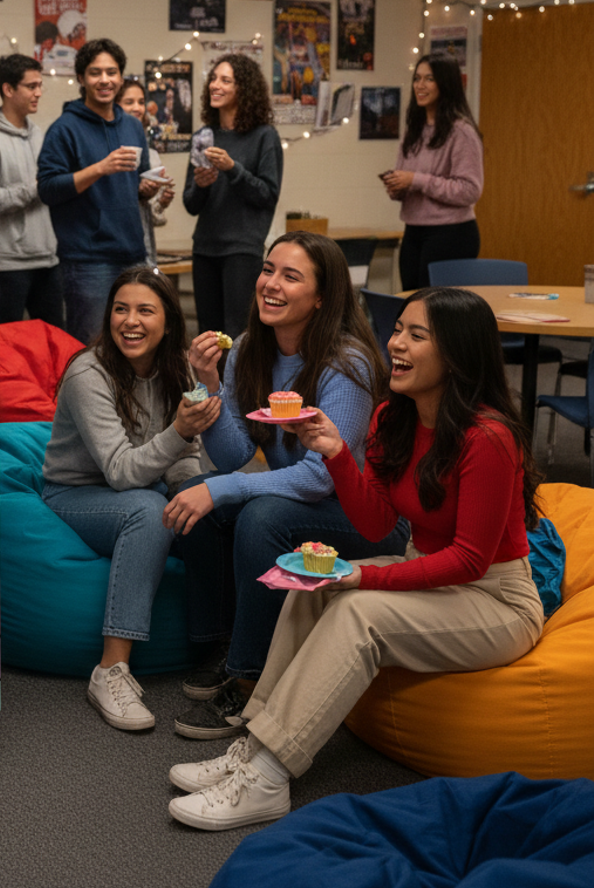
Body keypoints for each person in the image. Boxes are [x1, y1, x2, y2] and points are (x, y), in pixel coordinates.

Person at [167, 287, 545, 830]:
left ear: (457, 354)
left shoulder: (488, 437)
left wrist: (361, 575)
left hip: (497, 599)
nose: (396, 343)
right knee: (311, 580)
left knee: (355, 608)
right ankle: (254, 745)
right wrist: (338, 454)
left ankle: (270, 777)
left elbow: (467, 561)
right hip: (435, 579)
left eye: (417, 335)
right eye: (399, 330)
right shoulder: (397, 417)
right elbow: (374, 525)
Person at [162, 230, 408, 739]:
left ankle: (253, 682)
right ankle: (222, 644)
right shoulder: (252, 346)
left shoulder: (349, 363)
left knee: (257, 514)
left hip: (369, 519)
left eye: (290, 276)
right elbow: (232, 456)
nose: (270, 284)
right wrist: (210, 384)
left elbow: (320, 479)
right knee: (198, 499)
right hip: (310, 501)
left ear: (321, 298)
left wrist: (224, 489)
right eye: (268, 269)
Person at [42, 267, 220, 730]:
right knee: (147, 512)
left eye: (145, 310)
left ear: (167, 320)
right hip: (77, 492)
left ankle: (220, 651)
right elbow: (121, 472)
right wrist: (179, 430)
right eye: (121, 309)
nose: (130, 321)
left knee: (213, 507)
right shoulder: (89, 372)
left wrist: (188, 491)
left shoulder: (177, 367)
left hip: (148, 486)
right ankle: (110, 670)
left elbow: (189, 454)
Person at [38, 39, 160, 343]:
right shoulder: (64, 129)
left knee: (136, 343)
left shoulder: (132, 126)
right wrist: (99, 168)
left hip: (133, 253)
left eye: (111, 72)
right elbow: (48, 189)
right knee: (90, 346)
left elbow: (135, 185)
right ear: (81, 79)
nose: (104, 80)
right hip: (87, 261)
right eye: (95, 73)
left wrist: (147, 188)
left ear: (120, 77)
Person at [182, 54, 283, 340]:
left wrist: (232, 168)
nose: (215, 85)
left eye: (225, 80)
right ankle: (210, 387)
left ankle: (239, 387)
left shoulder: (265, 136)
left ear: (244, 89)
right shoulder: (203, 135)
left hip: (242, 251)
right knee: (209, 336)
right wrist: (201, 185)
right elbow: (191, 204)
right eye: (213, 79)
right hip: (204, 249)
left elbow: (267, 194)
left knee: (239, 336)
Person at [380, 53, 482, 290]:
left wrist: (415, 180)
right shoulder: (413, 131)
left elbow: (470, 190)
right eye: (417, 79)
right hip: (413, 231)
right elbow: (408, 182)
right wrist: (397, 186)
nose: (420, 86)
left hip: (451, 234)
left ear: (445, 84)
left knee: (434, 312)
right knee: (411, 304)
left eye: (429, 79)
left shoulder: (462, 132)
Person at [0, 54, 63, 327]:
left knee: (55, 343)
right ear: (8, 89)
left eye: (40, 85)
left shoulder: (41, 134)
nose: (39, 93)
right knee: (9, 349)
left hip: (48, 260)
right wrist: (36, 189)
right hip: (9, 264)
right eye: (31, 86)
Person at [118, 78, 175, 264]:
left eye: (141, 102)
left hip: (144, 250)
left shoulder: (151, 155)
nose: (138, 108)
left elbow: (153, 218)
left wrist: (161, 202)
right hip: (113, 251)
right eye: (129, 102)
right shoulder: (105, 149)